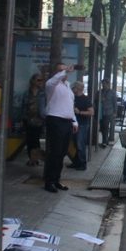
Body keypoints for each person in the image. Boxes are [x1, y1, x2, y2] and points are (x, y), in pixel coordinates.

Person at [43, 63, 77, 193]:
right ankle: (49, 181)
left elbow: (70, 105)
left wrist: (75, 122)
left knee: (62, 152)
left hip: (67, 121)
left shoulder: (67, 86)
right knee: (55, 152)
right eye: (62, 69)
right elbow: (53, 80)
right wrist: (63, 71)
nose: (66, 72)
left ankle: (56, 179)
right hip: (56, 119)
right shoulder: (52, 85)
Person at [21, 73, 46, 166]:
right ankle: (32, 159)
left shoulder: (43, 93)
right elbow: (23, 106)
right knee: (29, 140)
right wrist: (23, 118)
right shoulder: (27, 93)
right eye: (38, 80)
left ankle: (36, 158)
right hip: (28, 120)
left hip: (39, 120)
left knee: (35, 141)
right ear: (33, 81)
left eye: (42, 80)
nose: (40, 82)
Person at [67, 81, 93, 171]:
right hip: (73, 124)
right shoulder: (72, 97)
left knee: (80, 144)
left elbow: (91, 112)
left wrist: (80, 112)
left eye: (74, 87)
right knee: (75, 144)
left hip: (82, 125)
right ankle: (76, 162)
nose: (72, 89)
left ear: (77, 88)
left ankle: (82, 164)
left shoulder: (85, 99)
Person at [99, 78, 116, 146]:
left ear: (108, 84)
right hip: (101, 112)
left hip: (109, 112)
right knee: (102, 127)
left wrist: (115, 112)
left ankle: (105, 141)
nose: (103, 85)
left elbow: (114, 103)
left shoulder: (112, 92)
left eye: (104, 84)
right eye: (102, 84)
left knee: (105, 127)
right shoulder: (100, 92)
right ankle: (105, 140)